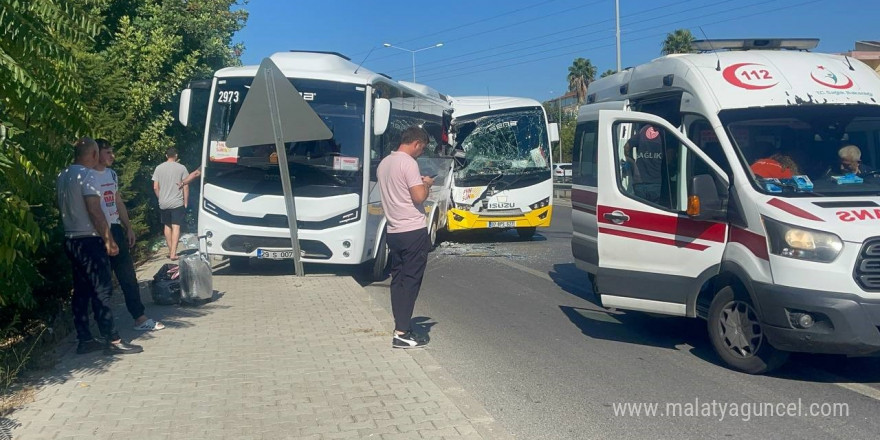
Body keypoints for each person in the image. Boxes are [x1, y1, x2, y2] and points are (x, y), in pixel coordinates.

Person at [56, 137, 143, 355]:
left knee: (81, 291)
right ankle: (112, 340)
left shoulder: (63, 175)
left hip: (71, 239)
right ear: (94, 154)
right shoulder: (87, 176)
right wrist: (108, 239)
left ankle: (84, 339)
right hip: (89, 240)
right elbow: (95, 210)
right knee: (102, 289)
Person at [93, 139, 165, 331]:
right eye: (107, 152)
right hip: (96, 233)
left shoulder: (112, 174)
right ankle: (105, 328)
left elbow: (117, 202)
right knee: (102, 282)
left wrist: (128, 227)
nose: (112, 156)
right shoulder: (87, 177)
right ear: (96, 153)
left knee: (128, 276)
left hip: (115, 228)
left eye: (112, 152)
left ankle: (140, 318)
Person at [377, 126, 434, 349]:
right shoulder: (408, 163)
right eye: (423, 148)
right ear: (417, 143)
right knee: (411, 281)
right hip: (412, 230)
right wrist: (427, 184)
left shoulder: (384, 163)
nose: (421, 153)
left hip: (393, 230)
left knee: (398, 281)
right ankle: (402, 333)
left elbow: (397, 190)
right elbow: (418, 197)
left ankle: (400, 326)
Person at [152, 148, 189, 260]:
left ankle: (170, 251)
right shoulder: (182, 168)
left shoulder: (158, 168)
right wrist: (185, 202)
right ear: (176, 155)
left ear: (166, 155)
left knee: (167, 226)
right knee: (176, 226)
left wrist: (160, 197)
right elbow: (186, 186)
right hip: (177, 202)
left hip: (163, 202)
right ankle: (173, 253)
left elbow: (155, 187)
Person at [627, 124, 665, 203]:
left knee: (640, 210)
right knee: (653, 211)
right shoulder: (664, 133)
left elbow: (626, 147)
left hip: (639, 181)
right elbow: (670, 157)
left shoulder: (643, 130)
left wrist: (631, 161)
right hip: (655, 182)